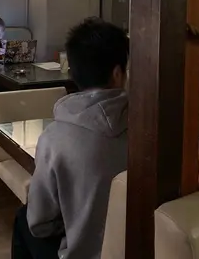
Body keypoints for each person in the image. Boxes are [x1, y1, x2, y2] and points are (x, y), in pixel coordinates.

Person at [12, 18, 129, 259]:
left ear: (73, 71)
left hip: (80, 253)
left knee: (23, 219)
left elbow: (39, 223)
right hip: (139, 248)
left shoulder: (54, 137)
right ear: (118, 73)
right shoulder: (148, 127)